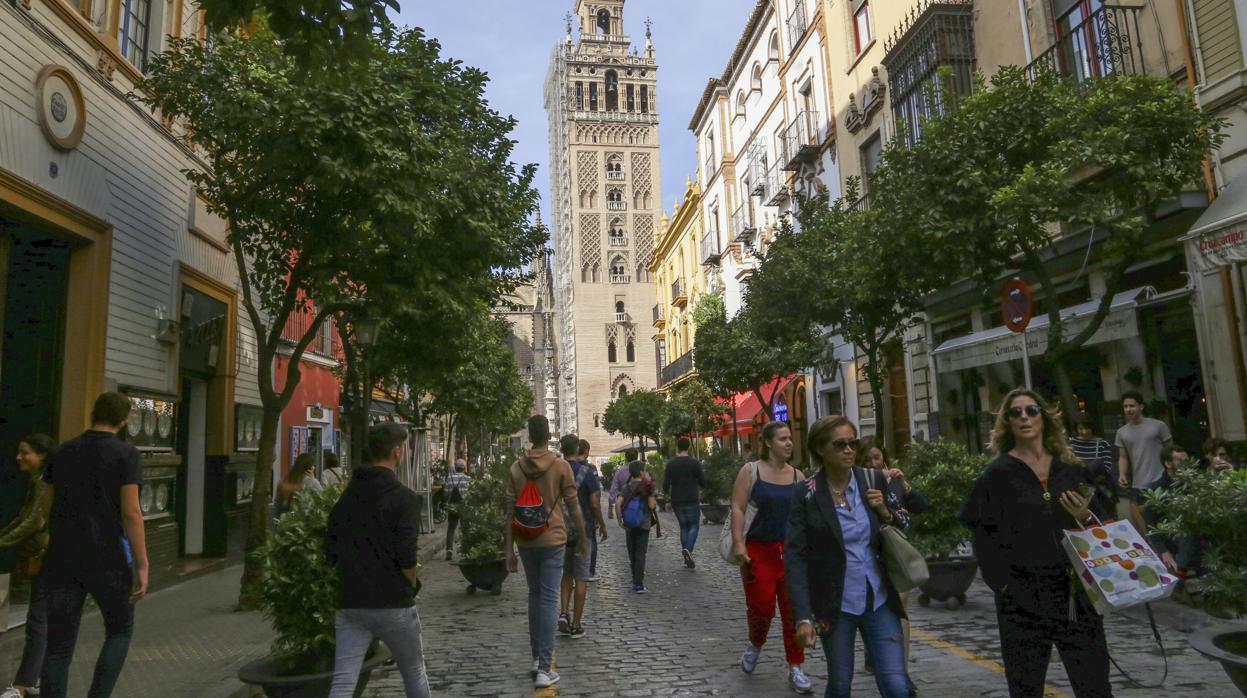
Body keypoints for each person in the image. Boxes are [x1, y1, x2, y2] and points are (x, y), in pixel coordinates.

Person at [960, 388, 1111, 698]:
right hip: (1022, 599)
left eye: (1032, 410)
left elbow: (1103, 525)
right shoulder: (997, 474)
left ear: (1045, 418)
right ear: (1007, 423)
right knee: (1026, 688)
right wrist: (1002, 586)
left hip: (1074, 597)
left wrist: (1084, 515)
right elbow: (983, 535)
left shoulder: (1069, 468)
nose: (1025, 417)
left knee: (1094, 686)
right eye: (1016, 413)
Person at [787, 416, 913, 698]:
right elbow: (795, 558)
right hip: (836, 603)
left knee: (896, 685)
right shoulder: (806, 494)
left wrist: (885, 513)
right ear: (820, 449)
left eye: (853, 443)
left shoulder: (874, 479)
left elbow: (905, 524)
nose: (849, 450)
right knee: (841, 684)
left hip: (878, 597)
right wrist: (803, 616)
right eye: (840, 444)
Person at [40, 392, 149, 698]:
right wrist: (142, 564)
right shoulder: (127, 455)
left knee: (59, 645)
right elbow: (131, 512)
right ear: (124, 420)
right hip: (108, 558)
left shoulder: (62, 452)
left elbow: (48, 505)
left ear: (93, 415)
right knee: (119, 629)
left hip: (62, 557)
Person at [325, 423, 430, 698]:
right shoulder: (404, 499)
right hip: (393, 601)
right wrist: (411, 583)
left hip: (351, 601)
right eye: (404, 448)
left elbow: (331, 550)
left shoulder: (345, 499)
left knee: (343, 680)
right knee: (414, 673)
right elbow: (407, 556)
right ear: (397, 452)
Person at [503, 416, 588, 689]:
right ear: (548, 434)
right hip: (553, 539)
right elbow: (574, 508)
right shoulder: (561, 466)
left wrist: (509, 550)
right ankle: (543, 668)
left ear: (529, 434)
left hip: (526, 540)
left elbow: (508, 514)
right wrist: (584, 538)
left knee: (535, 596)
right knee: (550, 598)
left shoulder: (516, 469)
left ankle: (535, 658)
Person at [729, 422, 812, 695]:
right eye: (783, 439)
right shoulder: (751, 471)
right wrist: (739, 543)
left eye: (790, 438)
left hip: (790, 553)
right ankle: (755, 642)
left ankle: (796, 667)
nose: (789, 443)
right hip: (759, 551)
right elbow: (738, 508)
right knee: (762, 607)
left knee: (793, 610)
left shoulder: (798, 476)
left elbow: (805, 516)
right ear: (767, 443)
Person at [859, 441, 927, 696]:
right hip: (869, 555)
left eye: (876, 458)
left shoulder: (894, 481)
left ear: (885, 459)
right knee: (874, 609)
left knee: (900, 610)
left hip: (895, 553)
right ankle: (875, 652)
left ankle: (901, 672)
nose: (873, 464)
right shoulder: (857, 483)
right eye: (867, 460)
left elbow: (919, 508)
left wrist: (903, 484)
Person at [0, 435, 56, 698]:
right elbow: (25, 518)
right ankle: (34, 679)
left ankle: (23, 685)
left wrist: (3, 542)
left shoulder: (45, 483)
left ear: (41, 455)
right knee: (41, 621)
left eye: (25, 453)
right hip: (45, 557)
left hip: (47, 559)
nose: (19, 457)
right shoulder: (38, 481)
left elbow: (33, 522)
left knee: (37, 622)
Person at [557, 435, 605, 639]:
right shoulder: (586, 472)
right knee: (581, 576)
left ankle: (563, 612)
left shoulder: (556, 469)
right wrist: (602, 524)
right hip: (583, 529)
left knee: (566, 574)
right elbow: (594, 503)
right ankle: (576, 624)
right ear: (577, 449)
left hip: (560, 530)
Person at [1115, 391, 1172, 523]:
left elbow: (1171, 450)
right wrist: (1122, 474)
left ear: (1141, 406)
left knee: (1165, 520)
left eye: (1132, 406)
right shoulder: (1121, 432)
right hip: (1138, 484)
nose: (1128, 409)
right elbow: (1122, 457)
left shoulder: (1158, 426)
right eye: (1125, 406)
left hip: (1161, 479)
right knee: (1143, 522)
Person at [1143, 444, 1192, 575]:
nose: (1187, 464)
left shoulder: (1194, 483)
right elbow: (1151, 524)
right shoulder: (1156, 489)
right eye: (1181, 461)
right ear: (1168, 464)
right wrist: (1163, 551)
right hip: (1172, 533)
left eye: (1188, 460)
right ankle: (1180, 571)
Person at [616, 455, 657, 593]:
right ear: (640, 472)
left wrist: (619, 520)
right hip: (643, 524)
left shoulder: (626, 487)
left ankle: (635, 578)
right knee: (641, 553)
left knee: (632, 552)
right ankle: (639, 584)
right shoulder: (647, 486)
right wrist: (653, 500)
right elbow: (651, 506)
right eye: (644, 470)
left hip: (629, 524)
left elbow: (618, 503)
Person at [663, 437, 705, 569]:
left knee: (684, 527)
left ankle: (686, 556)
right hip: (692, 498)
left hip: (677, 499)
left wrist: (667, 497)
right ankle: (688, 550)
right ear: (688, 448)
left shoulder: (671, 464)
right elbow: (703, 482)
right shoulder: (694, 463)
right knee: (693, 526)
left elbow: (665, 485)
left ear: (677, 447)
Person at [578, 440, 604, 579]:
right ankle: (590, 571)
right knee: (591, 540)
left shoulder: (566, 467)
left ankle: (573, 572)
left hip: (569, 513)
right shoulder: (591, 469)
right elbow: (596, 493)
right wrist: (598, 515)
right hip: (587, 511)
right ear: (586, 451)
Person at [443, 459, 470, 561]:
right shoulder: (467, 478)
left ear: (455, 467)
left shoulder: (449, 478)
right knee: (465, 529)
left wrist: (448, 501)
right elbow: (471, 494)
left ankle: (449, 551)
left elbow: (445, 494)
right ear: (464, 467)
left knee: (451, 529)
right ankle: (466, 550)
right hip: (464, 507)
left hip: (452, 507)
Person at [275, 454, 318, 519]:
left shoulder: (284, 480)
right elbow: (322, 499)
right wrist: (313, 479)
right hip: (304, 523)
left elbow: (277, 504)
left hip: (284, 522)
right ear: (311, 467)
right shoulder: (311, 482)